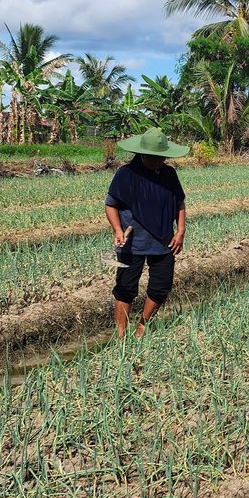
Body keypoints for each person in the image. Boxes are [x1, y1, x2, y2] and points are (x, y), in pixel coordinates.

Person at [104, 128, 188, 339]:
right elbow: (110, 204)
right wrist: (117, 229)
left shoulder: (169, 174)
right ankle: (121, 336)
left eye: (161, 158)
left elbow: (180, 203)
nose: (158, 162)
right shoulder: (126, 175)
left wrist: (180, 231)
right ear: (141, 153)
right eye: (153, 158)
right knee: (125, 288)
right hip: (133, 242)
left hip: (163, 242)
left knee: (161, 286)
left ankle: (142, 327)